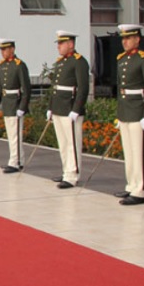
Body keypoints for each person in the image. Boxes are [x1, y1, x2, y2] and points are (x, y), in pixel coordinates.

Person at [114, 24, 144, 206]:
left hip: (139, 110)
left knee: (138, 152)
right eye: (123, 38)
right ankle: (131, 185)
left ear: (137, 39)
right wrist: (119, 114)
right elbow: (121, 89)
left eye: (128, 38)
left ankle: (139, 190)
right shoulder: (122, 59)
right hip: (126, 110)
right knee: (129, 152)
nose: (124, 42)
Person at [47, 30, 90, 189]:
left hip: (70, 107)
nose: (58, 46)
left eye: (61, 43)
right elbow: (55, 87)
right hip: (59, 107)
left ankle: (72, 174)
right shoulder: (61, 62)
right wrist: (51, 107)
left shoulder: (79, 62)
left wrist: (76, 108)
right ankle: (66, 171)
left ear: (70, 44)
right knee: (63, 143)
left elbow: (83, 87)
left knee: (72, 143)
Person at [0, 39, 31, 174]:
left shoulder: (19, 65)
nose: (2, 52)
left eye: (5, 49)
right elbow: (0, 86)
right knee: (11, 135)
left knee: (15, 135)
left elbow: (26, 88)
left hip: (15, 103)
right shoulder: (2, 65)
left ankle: (15, 162)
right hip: (7, 103)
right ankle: (17, 159)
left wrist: (22, 107)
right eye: (1, 50)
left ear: (12, 49)